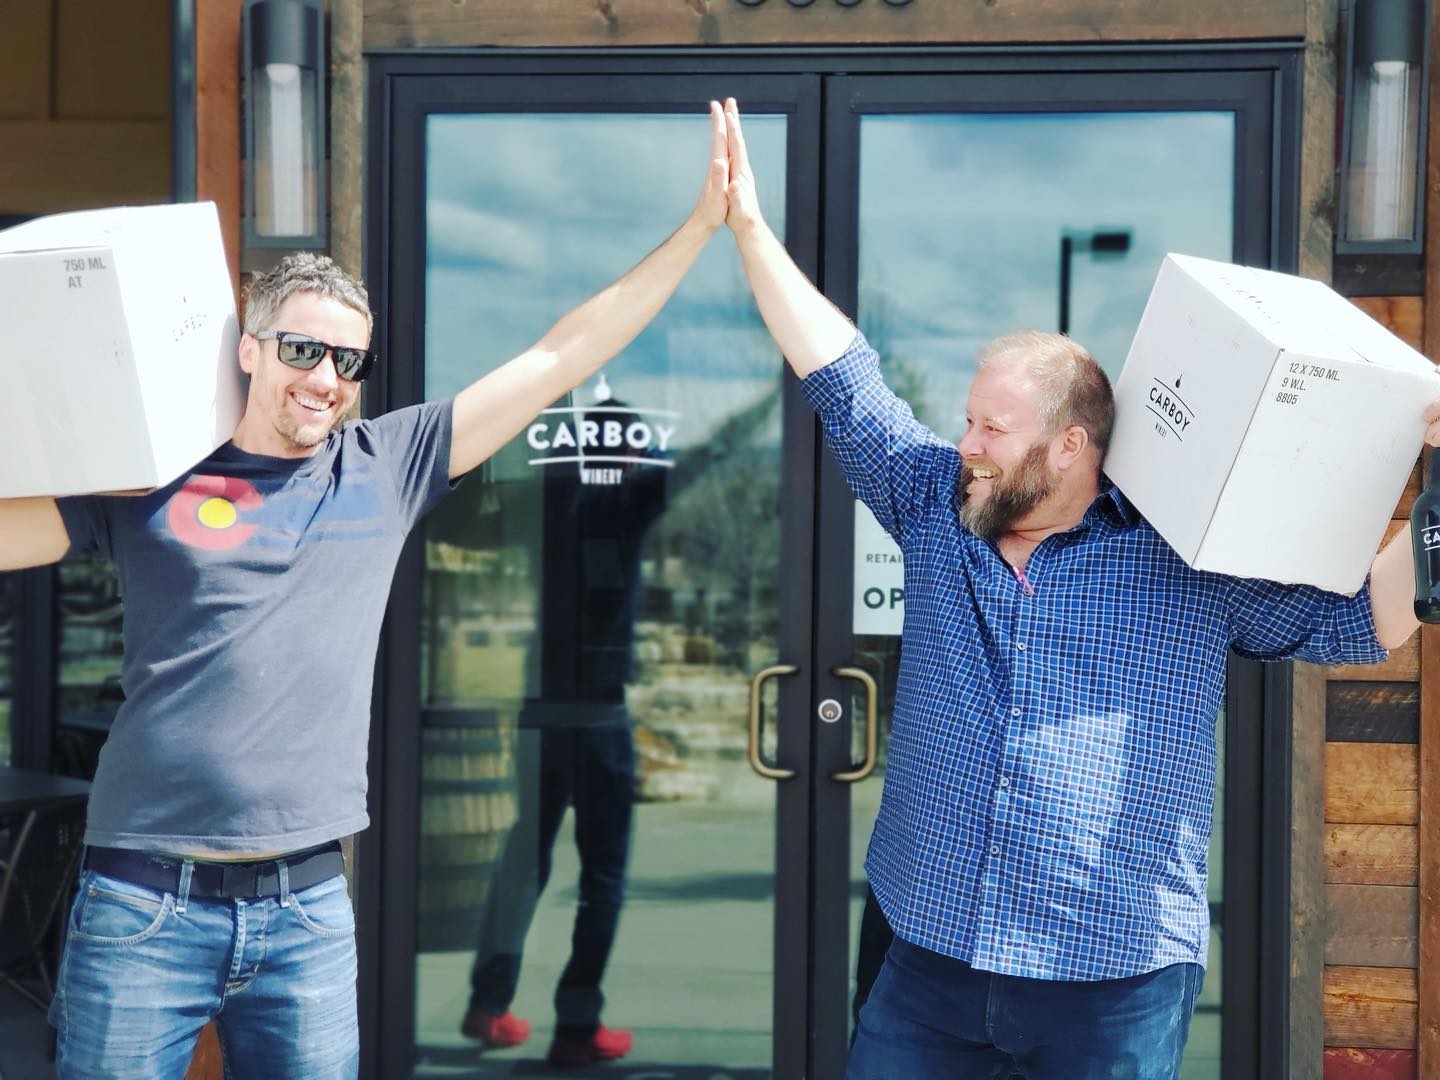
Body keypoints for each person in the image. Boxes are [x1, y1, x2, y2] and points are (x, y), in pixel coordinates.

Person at [0, 101, 733, 1079]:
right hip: (143, 900)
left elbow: (563, 353)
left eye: (350, 362)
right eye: (304, 350)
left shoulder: (387, 465)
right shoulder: (156, 477)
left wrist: (699, 228)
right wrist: (74, 440)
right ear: (250, 346)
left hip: (305, 911)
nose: (327, 380)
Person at [716, 98, 1440, 1080]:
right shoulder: (934, 503)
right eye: (968, 421)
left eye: (991, 429)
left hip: (1113, 982)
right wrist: (751, 229)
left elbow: (1371, 616)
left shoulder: (1185, 561)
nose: (965, 445)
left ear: (1068, 447)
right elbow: (840, 372)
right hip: (927, 955)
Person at [460, 395, 667, 1068]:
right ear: (630, 451)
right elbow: (698, 460)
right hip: (599, 715)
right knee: (602, 877)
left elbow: (476, 504)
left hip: (541, 711)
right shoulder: (630, 502)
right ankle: (577, 1025)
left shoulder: (547, 497)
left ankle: (487, 1005)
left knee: (525, 861)